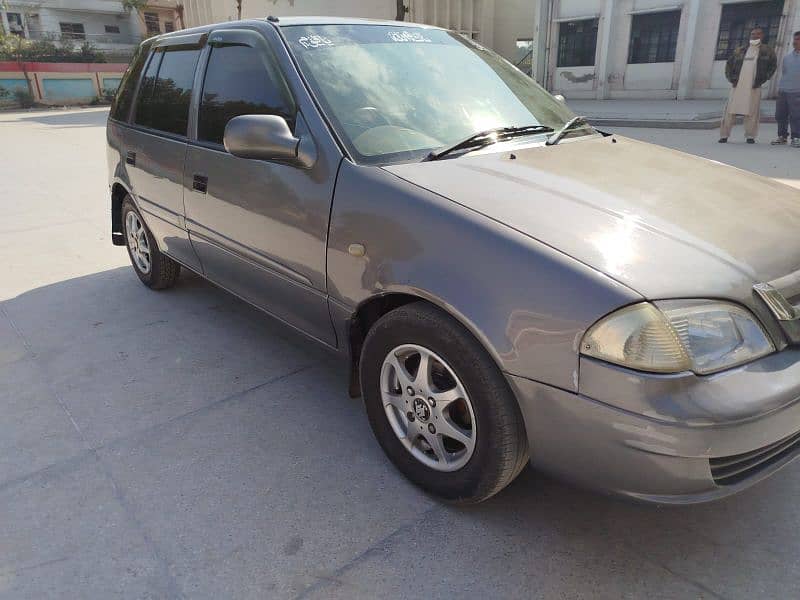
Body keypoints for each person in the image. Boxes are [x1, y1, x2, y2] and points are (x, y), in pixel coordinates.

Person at [719, 27, 777, 144]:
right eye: (753, 34)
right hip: (737, 86)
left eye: (758, 34)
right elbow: (729, 65)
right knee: (730, 110)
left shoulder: (767, 51)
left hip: (754, 86)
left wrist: (763, 79)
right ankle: (724, 135)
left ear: (762, 36)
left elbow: (772, 66)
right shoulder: (740, 50)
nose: (755, 36)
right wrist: (732, 79)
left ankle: (750, 136)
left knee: (752, 111)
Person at [772, 31, 800, 148]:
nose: (795, 41)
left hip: (797, 91)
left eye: (798, 39)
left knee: (796, 116)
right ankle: (782, 137)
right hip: (783, 90)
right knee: (780, 115)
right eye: (794, 39)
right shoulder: (787, 58)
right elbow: (785, 73)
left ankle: (796, 138)